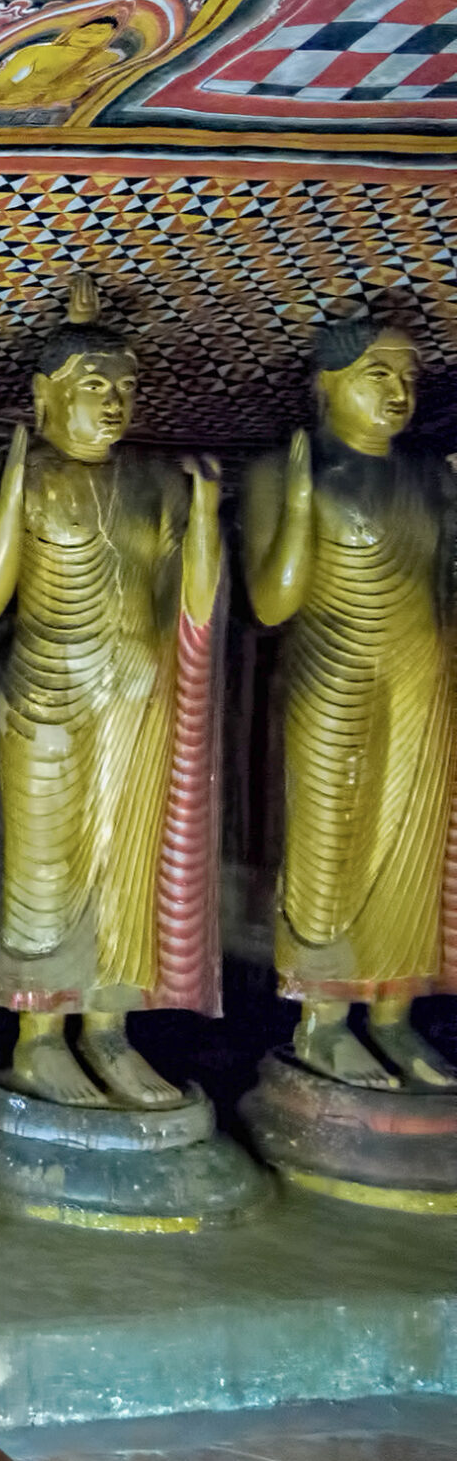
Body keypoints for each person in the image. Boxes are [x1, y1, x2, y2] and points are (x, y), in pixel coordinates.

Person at [0, 279, 225, 1108]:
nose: (111, 403)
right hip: (49, 696)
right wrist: (8, 492)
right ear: (46, 397)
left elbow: (196, 602)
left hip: (138, 699)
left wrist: (210, 512)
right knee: (46, 870)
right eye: (90, 386)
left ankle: (110, 1031)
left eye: (122, 388)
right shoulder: (31, 478)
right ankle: (40, 1035)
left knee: (126, 863)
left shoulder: (155, 485)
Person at [242, 318, 456, 1091]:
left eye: (407, 379)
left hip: (422, 680)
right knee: (329, 838)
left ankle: (394, 1016)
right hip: (333, 672)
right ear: (326, 383)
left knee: (410, 845)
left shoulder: (432, 477)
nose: (398, 393)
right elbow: (270, 603)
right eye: (379, 374)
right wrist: (299, 504)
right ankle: (324, 1018)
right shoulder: (282, 471)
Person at [0, 16, 128, 112]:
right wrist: (12, 92)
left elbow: (89, 82)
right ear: (72, 32)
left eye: (100, 33)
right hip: (14, 94)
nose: (89, 37)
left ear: (110, 37)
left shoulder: (108, 58)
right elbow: (2, 81)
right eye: (87, 31)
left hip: (55, 95)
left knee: (72, 94)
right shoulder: (37, 51)